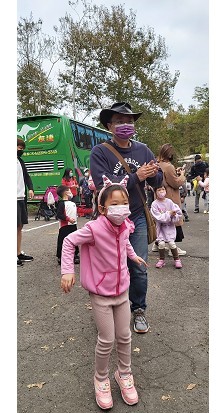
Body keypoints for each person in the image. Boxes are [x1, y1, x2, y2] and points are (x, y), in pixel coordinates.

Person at [60, 176, 148, 409]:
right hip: (101, 294)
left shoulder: (125, 225)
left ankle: (124, 374)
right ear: (102, 208)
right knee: (107, 339)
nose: (121, 208)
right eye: (115, 204)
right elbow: (68, 242)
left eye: (124, 203)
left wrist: (133, 256)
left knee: (125, 336)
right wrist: (67, 271)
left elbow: (125, 242)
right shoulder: (94, 229)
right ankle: (101, 379)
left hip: (122, 291)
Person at [89, 101, 163, 334]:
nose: (126, 125)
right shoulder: (100, 152)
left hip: (137, 217)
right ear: (109, 126)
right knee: (109, 266)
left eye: (129, 121)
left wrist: (153, 174)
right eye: (120, 121)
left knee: (138, 266)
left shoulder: (143, 150)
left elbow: (158, 181)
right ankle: (108, 308)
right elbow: (103, 185)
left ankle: (138, 309)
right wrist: (136, 176)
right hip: (108, 221)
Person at [153, 143, 187, 256]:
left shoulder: (158, 164)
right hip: (170, 196)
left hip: (159, 196)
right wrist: (182, 175)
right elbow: (175, 183)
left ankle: (158, 244)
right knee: (173, 222)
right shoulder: (168, 166)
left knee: (162, 222)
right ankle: (173, 249)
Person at [150, 185, 183, 269]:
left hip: (169, 227)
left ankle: (177, 259)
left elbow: (178, 213)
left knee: (171, 243)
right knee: (161, 244)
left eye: (163, 189)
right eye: (159, 190)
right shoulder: (154, 204)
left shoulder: (169, 202)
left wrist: (174, 215)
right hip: (160, 228)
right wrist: (169, 213)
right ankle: (161, 259)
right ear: (155, 192)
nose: (161, 191)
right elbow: (158, 217)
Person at [17, 138, 35, 267]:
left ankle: (18, 253)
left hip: (21, 197)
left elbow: (26, 176)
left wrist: (31, 188)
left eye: (22, 148)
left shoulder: (20, 161)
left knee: (20, 226)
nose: (21, 150)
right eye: (19, 147)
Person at [55, 185, 80, 265]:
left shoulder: (72, 203)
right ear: (66, 192)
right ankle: (61, 256)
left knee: (74, 239)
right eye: (69, 190)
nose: (71, 192)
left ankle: (74, 254)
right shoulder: (61, 204)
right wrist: (68, 219)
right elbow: (59, 215)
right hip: (65, 226)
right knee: (63, 240)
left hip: (73, 225)